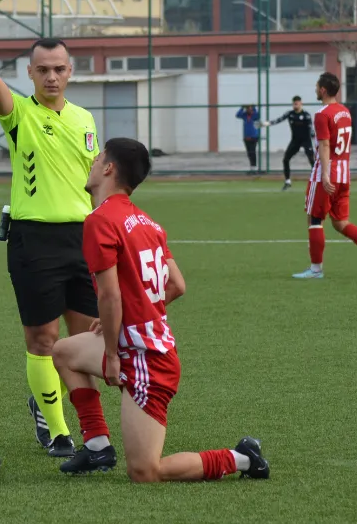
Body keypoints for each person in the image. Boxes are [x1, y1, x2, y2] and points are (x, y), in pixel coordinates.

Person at [51, 137, 270, 482]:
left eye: (98, 158)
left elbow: (110, 296)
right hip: (141, 345)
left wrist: (112, 354)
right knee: (64, 352)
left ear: (109, 168)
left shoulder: (100, 219)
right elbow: (176, 285)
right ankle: (96, 447)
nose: (92, 162)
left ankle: (241, 458)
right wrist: (131, 315)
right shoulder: (147, 222)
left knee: (145, 471)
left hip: (146, 359)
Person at [0, 0, 100, 458]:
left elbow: (95, 183)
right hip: (34, 241)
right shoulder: (18, 114)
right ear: (30, 73)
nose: (52, 76)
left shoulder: (85, 119)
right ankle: (59, 432)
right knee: (43, 340)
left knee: (85, 341)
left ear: (70, 72)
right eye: (43, 70)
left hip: (84, 239)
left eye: (59, 69)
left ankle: (66, 413)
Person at [294, 73, 357, 280]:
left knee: (315, 219)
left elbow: (325, 145)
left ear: (323, 90)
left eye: (317, 86)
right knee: (340, 222)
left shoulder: (322, 114)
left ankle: (315, 270)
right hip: (344, 174)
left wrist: (325, 174)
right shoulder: (345, 112)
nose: (315, 89)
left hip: (326, 174)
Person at [258, 96, 315, 190]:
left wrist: (315, 138)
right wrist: (266, 124)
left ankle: (317, 182)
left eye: (297, 103)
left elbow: (311, 129)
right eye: (294, 104)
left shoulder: (306, 115)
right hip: (295, 141)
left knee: (312, 160)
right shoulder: (290, 114)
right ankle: (287, 181)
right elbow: (279, 120)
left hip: (306, 141)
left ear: (301, 104)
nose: (295, 105)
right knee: (285, 159)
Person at [236, 105, 260, 174]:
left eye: (250, 109)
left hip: (253, 137)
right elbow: (237, 115)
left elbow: (258, 115)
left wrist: (254, 108)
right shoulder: (244, 115)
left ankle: (254, 168)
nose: (249, 110)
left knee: (252, 152)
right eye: (247, 109)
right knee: (249, 153)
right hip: (246, 137)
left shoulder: (254, 115)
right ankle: (252, 168)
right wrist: (242, 108)